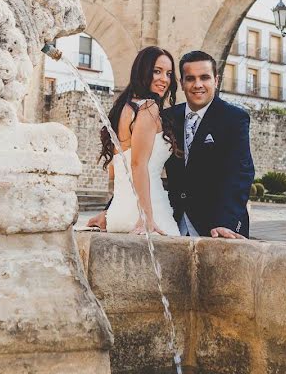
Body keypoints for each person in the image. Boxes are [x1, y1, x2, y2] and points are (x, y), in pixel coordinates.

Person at [162, 50, 253, 239]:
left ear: (216, 80)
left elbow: (240, 174)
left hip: (217, 229)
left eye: (204, 77)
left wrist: (226, 223)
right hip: (170, 225)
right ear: (181, 83)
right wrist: (113, 210)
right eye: (190, 78)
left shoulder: (235, 119)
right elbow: (143, 166)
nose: (198, 85)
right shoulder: (167, 118)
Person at [97, 46, 182, 236]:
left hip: (119, 212)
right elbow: (137, 164)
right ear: (142, 71)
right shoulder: (148, 108)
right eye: (157, 71)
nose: (164, 79)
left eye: (168, 74)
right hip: (148, 212)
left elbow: (114, 171)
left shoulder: (123, 109)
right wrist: (147, 216)